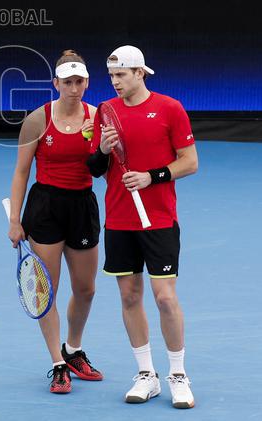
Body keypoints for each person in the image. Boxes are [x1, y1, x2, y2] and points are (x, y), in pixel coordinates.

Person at [87, 45, 199, 409]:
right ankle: (146, 374)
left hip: (160, 220)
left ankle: (178, 376)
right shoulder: (106, 112)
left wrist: (153, 177)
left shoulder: (170, 109)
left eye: (121, 75)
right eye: (112, 77)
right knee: (130, 296)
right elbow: (95, 169)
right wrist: (102, 149)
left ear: (140, 74)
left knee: (165, 298)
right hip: (119, 220)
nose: (115, 82)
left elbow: (190, 162)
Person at [8, 50, 104, 394]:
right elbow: (21, 173)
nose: (74, 89)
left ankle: (73, 349)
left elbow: (104, 167)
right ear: (56, 84)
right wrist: (15, 221)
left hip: (82, 207)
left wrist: (99, 144)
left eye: (80, 82)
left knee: (86, 289)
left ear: (87, 83)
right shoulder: (37, 120)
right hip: (45, 207)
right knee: (46, 292)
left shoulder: (98, 118)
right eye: (68, 82)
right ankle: (57, 363)